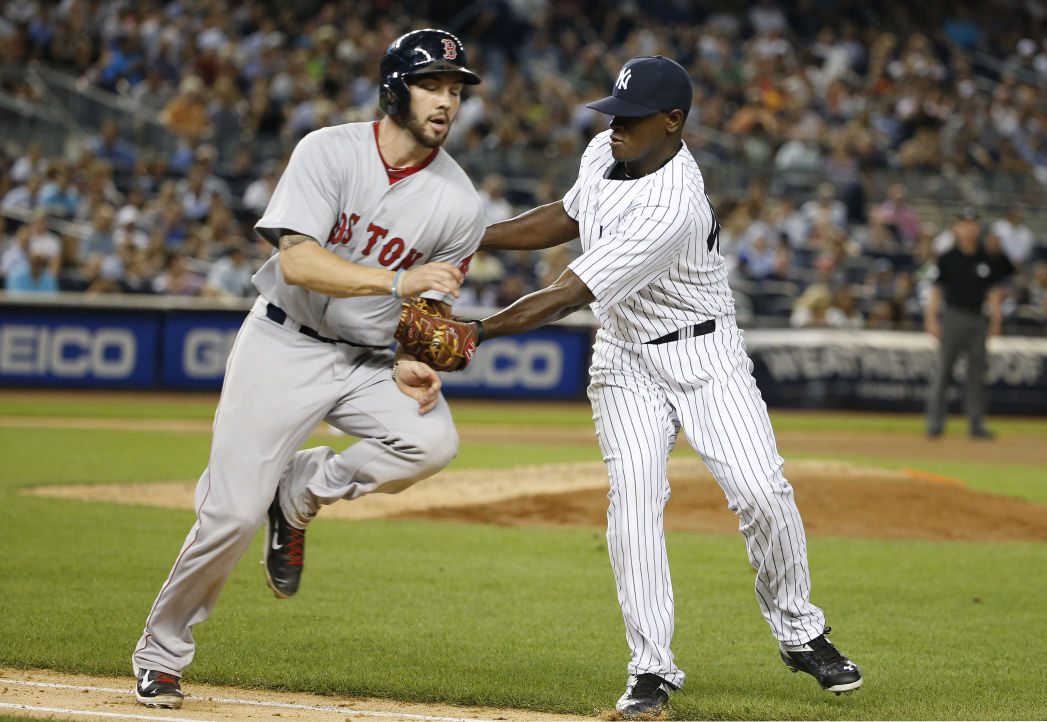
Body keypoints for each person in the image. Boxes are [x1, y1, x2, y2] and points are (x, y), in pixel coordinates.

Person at [465, 56, 862, 719]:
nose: (613, 124)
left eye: (630, 116)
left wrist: (475, 332)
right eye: (612, 112)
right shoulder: (603, 150)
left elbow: (566, 294)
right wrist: (465, 237)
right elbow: (565, 216)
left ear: (672, 121)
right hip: (623, 358)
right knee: (633, 506)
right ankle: (651, 670)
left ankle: (798, 630)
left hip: (705, 356)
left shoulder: (672, 204)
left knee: (763, 492)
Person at [131, 28, 485, 710]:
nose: (445, 100)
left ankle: (300, 494)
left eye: (454, 88)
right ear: (392, 88)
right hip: (283, 344)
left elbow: (429, 306)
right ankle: (162, 653)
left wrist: (414, 360)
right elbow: (297, 261)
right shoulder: (329, 150)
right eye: (430, 83)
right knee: (230, 515)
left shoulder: (460, 203)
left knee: (431, 440)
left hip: (367, 358)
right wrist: (395, 282)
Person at [924, 207, 1014, 439]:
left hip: (977, 318)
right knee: (943, 371)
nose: (969, 228)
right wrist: (931, 319)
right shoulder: (947, 257)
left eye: (973, 224)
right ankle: (935, 423)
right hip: (953, 316)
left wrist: (996, 321)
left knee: (977, 375)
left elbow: (993, 293)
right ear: (956, 227)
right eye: (965, 224)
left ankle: (976, 424)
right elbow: (935, 292)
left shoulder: (986, 257)